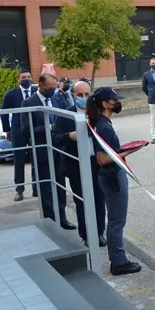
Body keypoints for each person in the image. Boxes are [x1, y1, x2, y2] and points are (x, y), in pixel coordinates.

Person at [86, 87, 143, 276]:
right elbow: (102, 159)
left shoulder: (102, 123)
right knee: (117, 221)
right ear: (105, 104)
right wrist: (128, 151)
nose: (117, 102)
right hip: (112, 176)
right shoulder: (103, 125)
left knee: (115, 220)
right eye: (114, 100)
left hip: (109, 176)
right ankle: (118, 262)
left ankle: (118, 259)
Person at [52, 80, 106, 247]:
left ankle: (99, 233)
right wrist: (70, 135)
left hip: (96, 162)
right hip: (76, 164)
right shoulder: (66, 115)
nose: (84, 97)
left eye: (87, 94)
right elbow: (55, 138)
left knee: (99, 199)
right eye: (80, 95)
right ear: (73, 96)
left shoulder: (97, 112)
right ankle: (86, 234)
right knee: (82, 202)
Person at [21, 73, 73, 230]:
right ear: (41, 85)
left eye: (54, 87)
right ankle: (50, 222)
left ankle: (62, 218)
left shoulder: (56, 100)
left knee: (60, 185)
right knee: (45, 188)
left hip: (58, 150)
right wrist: (49, 127)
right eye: (50, 88)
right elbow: (26, 130)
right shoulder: (29, 103)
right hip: (42, 151)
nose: (52, 90)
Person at [1, 69, 37, 202]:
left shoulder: (36, 91)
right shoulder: (11, 94)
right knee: (19, 160)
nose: (26, 79)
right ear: (18, 79)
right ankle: (19, 190)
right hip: (18, 130)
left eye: (28, 76)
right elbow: (3, 112)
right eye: (23, 77)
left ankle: (36, 188)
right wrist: (7, 130)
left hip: (34, 129)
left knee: (36, 158)